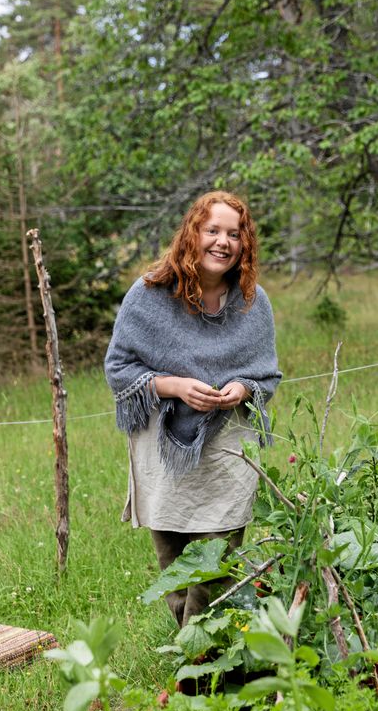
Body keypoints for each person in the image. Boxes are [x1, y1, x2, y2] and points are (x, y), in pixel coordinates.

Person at [104, 190, 281, 626]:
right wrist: (175, 387)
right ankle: (195, 652)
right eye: (212, 230)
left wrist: (241, 388)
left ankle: (200, 655)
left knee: (218, 558)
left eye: (234, 234)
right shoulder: (149, 295)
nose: (223, 242)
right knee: (176, 562)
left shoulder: (252, 302)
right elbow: (119, 367)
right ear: (192, 235)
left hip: (226, 443)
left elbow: (266, 375)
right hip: (164, 445)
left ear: (245, 244)